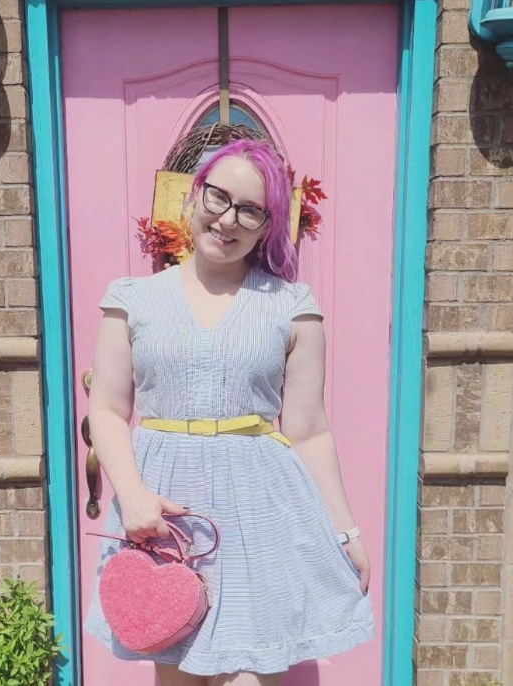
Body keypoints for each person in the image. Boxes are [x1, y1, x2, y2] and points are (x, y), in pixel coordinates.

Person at [84, 138, 374, 686]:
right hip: (166, 516)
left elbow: (309, 430)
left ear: (267, 226)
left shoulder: (292, 306)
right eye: (218, 198)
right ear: (193, 198)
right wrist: (133, 496)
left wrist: (345, 531)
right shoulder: (132, 300)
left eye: (250, 210)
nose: (228, 219)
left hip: (260, 514)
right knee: (175, 673)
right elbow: (106, 408)